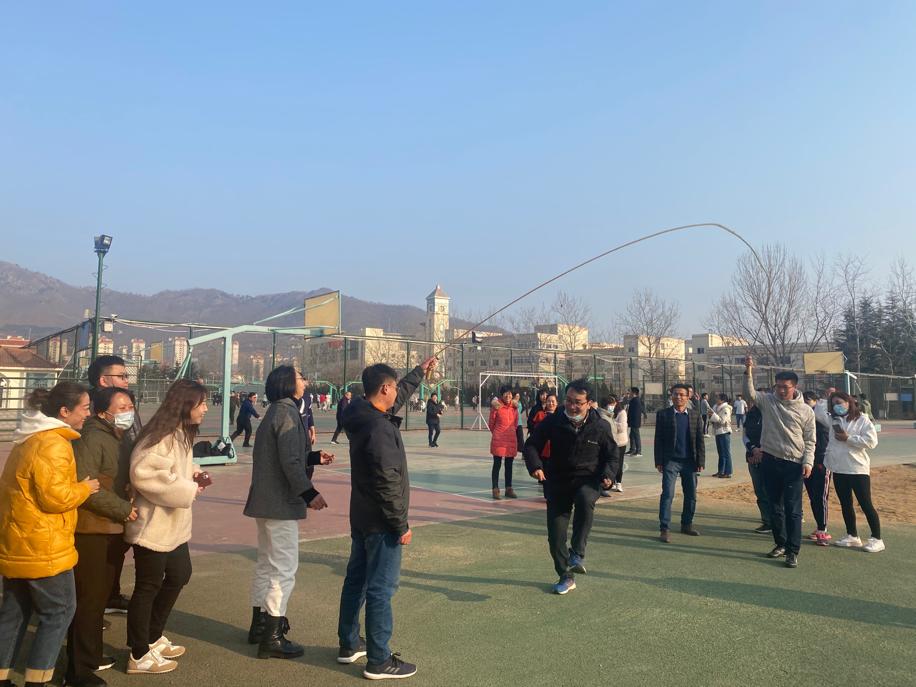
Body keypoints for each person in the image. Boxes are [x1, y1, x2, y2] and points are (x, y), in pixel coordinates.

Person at [336, 356, 436, 680]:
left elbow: (398, 395)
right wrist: (400, 524)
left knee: (356, 581)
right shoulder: (379, 428)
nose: (396, 393)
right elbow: (387, 480)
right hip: (382, 522)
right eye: (393, 387)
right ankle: (379, 660)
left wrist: (419, 373)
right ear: (383, 389)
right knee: (381, 588)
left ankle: (349, 643)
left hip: (362, 516)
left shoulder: (360, 413)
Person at [0, 383, 99, 687]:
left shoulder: (29, 437)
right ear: (65, 411)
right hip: (44, 545)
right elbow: (55, 498)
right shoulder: (53, 443)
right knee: (59, 611)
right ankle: (37, 679)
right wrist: (85, 488)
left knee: (15, 612)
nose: (88, 414)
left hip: (18, 540)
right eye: (85, 408)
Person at [244, 366, 332, 659]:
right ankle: (273, 636)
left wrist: (314, 457)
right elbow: (290, 462)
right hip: (280, 504)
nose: (304, 381)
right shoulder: (288, 412)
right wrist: (309, 493)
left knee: (266, 564)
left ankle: (259, 626)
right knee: (284, 569)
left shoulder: (275, 411)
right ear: (288, 383)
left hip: (265, 501)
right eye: (300, 376)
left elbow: (284, 454)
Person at [124, 380, 210, 675]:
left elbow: (173, 468)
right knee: (147, 586)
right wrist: (187, 488)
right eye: (201, 403)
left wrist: (193, 475)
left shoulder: (179, 434)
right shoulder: (161, 436)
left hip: (172, 525)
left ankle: (151, 636)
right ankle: (138, 653)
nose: (205, 409)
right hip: (152, 527)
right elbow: (144, 473)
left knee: (179, 574)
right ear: (185, 405)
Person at [66, 387, 139, 687]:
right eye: (121, 407)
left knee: (98, 597)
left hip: (112, 527)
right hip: (92, 528)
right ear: (102, 412)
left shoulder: (120, 436)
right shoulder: (92, 438)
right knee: (88, 600)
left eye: (130, 405)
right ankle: (78, 671)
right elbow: (87, 486)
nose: (128, 412)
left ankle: (91, 656)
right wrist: (124, 508)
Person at [524, 380, 617, 594]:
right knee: (555, 536)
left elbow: (612, 456)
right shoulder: (553, 421)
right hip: (558, 480)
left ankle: (577, 552)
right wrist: (535, 466)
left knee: (585, 499)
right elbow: (531, 445)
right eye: (568, 400)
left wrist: (609, 476)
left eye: (578, 402)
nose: (572, 406)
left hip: (588, 479)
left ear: (589, 403)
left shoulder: (600, 426)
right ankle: (566, 576)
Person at [744, 356, 815, 569]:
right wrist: (748, 370)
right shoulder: (768, 402)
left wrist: (808, 462)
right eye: (778, 386)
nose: (781, 390)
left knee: (793, 510)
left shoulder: (805, 410)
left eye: (786, 387)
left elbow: (810, 439)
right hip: (770, 462)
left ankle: (793, 551)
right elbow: (750, 393)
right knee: (774, 507)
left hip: (794, 464)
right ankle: (780, 544)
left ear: (795, 387)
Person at [87, 354, 141, 616]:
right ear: (103, 380)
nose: (126, 380)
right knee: (96, 559)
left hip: (121, 489)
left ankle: (110, 596)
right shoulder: (89, 417)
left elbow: (134, 439)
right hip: (101, 497)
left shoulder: (125, 407)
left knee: (116, 550)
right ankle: (90, 612)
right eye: (121, 376)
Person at [816, 391, 883, 552]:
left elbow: (871, 442)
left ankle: (877, 538)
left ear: (849, 402)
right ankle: (852, 535)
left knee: (866, 504)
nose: (836, 406)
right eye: (834, 404)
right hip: (839, 468)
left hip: (857, 469)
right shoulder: (833, 419)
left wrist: (849, 438)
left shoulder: (862, 419)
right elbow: (818, 412)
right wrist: (826, 398)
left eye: (839, 403)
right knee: (846, 504)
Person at [654, 384, 706, 542]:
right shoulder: (663, 414)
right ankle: (664, 528)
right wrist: (659, 461)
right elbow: (658, 439)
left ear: (688, 396)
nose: (678, 397)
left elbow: (699, 439)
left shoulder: (695, 415)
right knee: (667, 494)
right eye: (675, 394)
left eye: (682, 394)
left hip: (690, 462)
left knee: (691, 495)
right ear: (671, 396)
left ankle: (687, 524)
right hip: (670, 461)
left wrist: (700, 460)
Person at [802, 391, 832, 546]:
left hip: (821, 461)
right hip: (807, 462)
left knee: (821, 496)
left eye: (808, 401)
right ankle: (820, 526)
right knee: (813, 496)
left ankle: (823, 530)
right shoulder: (803, 419)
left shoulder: (822, 419)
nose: (805, 404)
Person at [742, 395, 772, 534]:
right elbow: (745, 435)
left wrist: (763, 451)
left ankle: (779, 521)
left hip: (770, 456)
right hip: (753, 457)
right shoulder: (750, 414)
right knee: (760, 491)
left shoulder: (772, 413)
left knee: (773, 491)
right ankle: (767, 521)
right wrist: (753, 449)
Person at [489, 386, 519, 499]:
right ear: (501, 395)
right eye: (506, 393)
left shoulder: (514, 408)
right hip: (499, 439)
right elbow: (491, 424)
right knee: (497, 464)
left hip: (510, 439)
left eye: (510, 393)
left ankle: (508, 488)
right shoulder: (496, 407)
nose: (508, 395)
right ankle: (495, 489)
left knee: (509, 465)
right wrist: (498, 433)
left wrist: (510, 432)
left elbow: (515, 424)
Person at [596, 396, 628, 496]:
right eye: (612, 405)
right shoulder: (603, 417)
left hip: (619, 442)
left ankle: (614, 483)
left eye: (614, 404)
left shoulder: (616, 414)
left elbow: (621, 427)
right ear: (607, 405)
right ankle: (603, 486)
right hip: (609, 444)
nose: (613, 406)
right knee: (606, 464)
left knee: (615, 463)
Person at [708, 393, 733, 478]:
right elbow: (714, 419)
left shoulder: (726, 408)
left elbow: (722, 421)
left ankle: (728, 472)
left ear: (722, 400)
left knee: (726, 453)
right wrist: (711, 416)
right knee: (721, 453)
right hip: (718, 432)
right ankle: (721, 471)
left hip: (724, 432)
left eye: (718, 398)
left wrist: (713, 415)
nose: (716, 399)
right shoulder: (716, 407)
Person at [626, 387, 645, 457]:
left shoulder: (636, 400)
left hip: (635, 422)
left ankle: (638, 451)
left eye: (630, 392)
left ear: (634, 393)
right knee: (632, 435)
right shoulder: (634, 400)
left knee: (636, 436)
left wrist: (633, 422)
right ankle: (632, 450)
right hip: (633, 421)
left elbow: (636, 413)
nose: (629, 393)